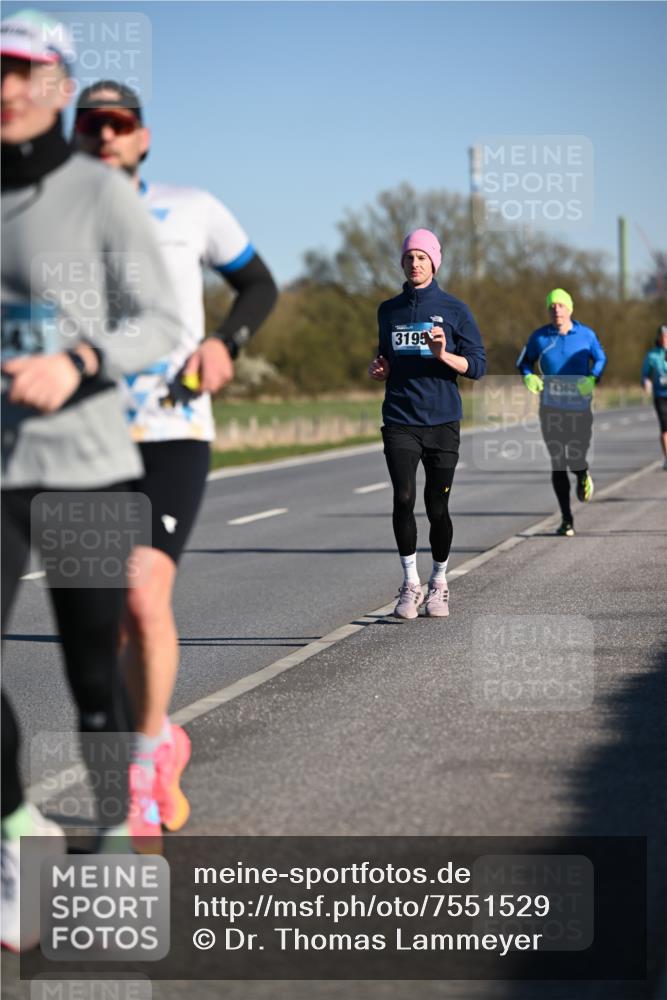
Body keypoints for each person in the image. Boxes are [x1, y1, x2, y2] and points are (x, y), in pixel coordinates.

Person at [1, 12, 181, 948]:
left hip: (83, 467)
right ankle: (15, 828)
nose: (7, 88)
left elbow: (162, 322)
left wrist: (76, 360)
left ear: (59, 87)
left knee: (90, 673)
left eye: (26, 71)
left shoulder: (97, 192)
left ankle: (115, 825)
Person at [73, 80, 278, 843]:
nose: (104, 134)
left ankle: (137, 776)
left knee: (141, 592)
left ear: (142, 137)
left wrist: (226, 343)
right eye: (90, 123)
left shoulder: (190, 208)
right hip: (82, 439)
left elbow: (257, 283)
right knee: (104, 622)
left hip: (171, 431)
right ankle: (158, 740)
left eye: (118, 122)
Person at [368, 229, 486, 619]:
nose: (414, 263)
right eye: (408, 257)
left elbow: (478, 366)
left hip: (442, 421)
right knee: (403, 498)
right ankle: (410, 584)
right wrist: (380, 369)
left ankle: (439, 582)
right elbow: (386, 357)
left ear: (434, 262)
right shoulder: (389, 310)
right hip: (400, 418)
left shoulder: (455, 310)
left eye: (421, 257)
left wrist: (443, 354)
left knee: (437, 506)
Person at [517, 288, 607, 537]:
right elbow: (522, 362)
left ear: (570, 308)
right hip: (550, 407)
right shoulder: (539, 337)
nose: (556, 309)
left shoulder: (586, 334)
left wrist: (593, 377)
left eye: (560, 305)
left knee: (575, 458)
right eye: (552, 306)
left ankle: (582, 473)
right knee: (558, 462)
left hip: (579, 406)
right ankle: (567, 519)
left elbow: (601, 358)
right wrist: (528, 377)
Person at [641, 324, 667, 470]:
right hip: (660, 395)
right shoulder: (652, 355)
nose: (664, 339)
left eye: (666, 336)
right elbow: (645, 374)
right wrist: (646, 382)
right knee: (665, 427)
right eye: (662, 336)